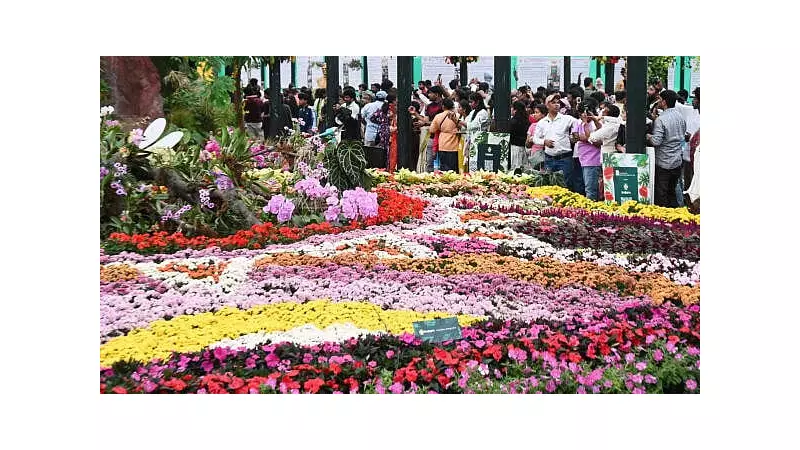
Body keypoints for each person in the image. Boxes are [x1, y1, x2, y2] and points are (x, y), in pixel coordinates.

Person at [647, 90, 686, 207]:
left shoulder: (661, 120)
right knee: (672, 192)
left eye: (659, 99)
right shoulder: (680, 116)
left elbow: (656, 141)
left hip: (663, 162)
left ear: (664, 102)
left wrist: (648, 136)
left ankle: (663, 219)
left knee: (661, 194)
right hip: (677, 160)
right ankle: (674, 217)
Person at [533, 94, 580, 190]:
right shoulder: (542, 122)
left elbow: (579, 123)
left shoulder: (566, 118)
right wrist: (544, 142)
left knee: (565, 185)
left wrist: (574, 134)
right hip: (549, 159)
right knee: (549, 185)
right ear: (547, 105)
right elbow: (535, 138)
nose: (556, 105)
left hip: (565, 158)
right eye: (553, 103)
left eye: (558, 103)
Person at [573, 102, 602, 201]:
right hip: (582, 159)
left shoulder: (595, 123)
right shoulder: (578, 122)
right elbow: (574, 137)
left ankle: (591, 211)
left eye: (587, 112)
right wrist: (586, 137)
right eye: (582, 113)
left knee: (590, 189)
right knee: (586, 186)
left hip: (593, 160)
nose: (585, 115)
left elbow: (595, 140)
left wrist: (586, 130)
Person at [459, 92, 490, 172]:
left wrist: (458, 121)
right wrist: (456, 121)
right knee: (471, 166)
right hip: (471, 142)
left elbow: (472, 126)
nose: (470, 104)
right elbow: (464, 127)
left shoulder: (483, 113)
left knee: (479, 166)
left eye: (471, 102)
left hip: (480, 142)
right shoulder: (472, 112)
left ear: (477, 102)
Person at [429, 98, 460, 172]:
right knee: (453, 168)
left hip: (442, 144)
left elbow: (432, 130)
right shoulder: (457, 115)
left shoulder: (438, 116)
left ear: (443, 106)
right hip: (454, 144)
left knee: (444, 168)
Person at [509, 100, 530, 174]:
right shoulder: (527, 121)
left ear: (515, 110)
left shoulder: (513, 121)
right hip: (524, 149)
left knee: (514, 170)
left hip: (514, 148)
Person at [525, 104, 547, 170]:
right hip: (535, 155)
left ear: (543, 114)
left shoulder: (549, 125)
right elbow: (527, 145)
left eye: (537, 112)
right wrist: (530, 140)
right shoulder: (533, 126)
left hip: (547, 155)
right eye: (534, 112)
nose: (534, 114)